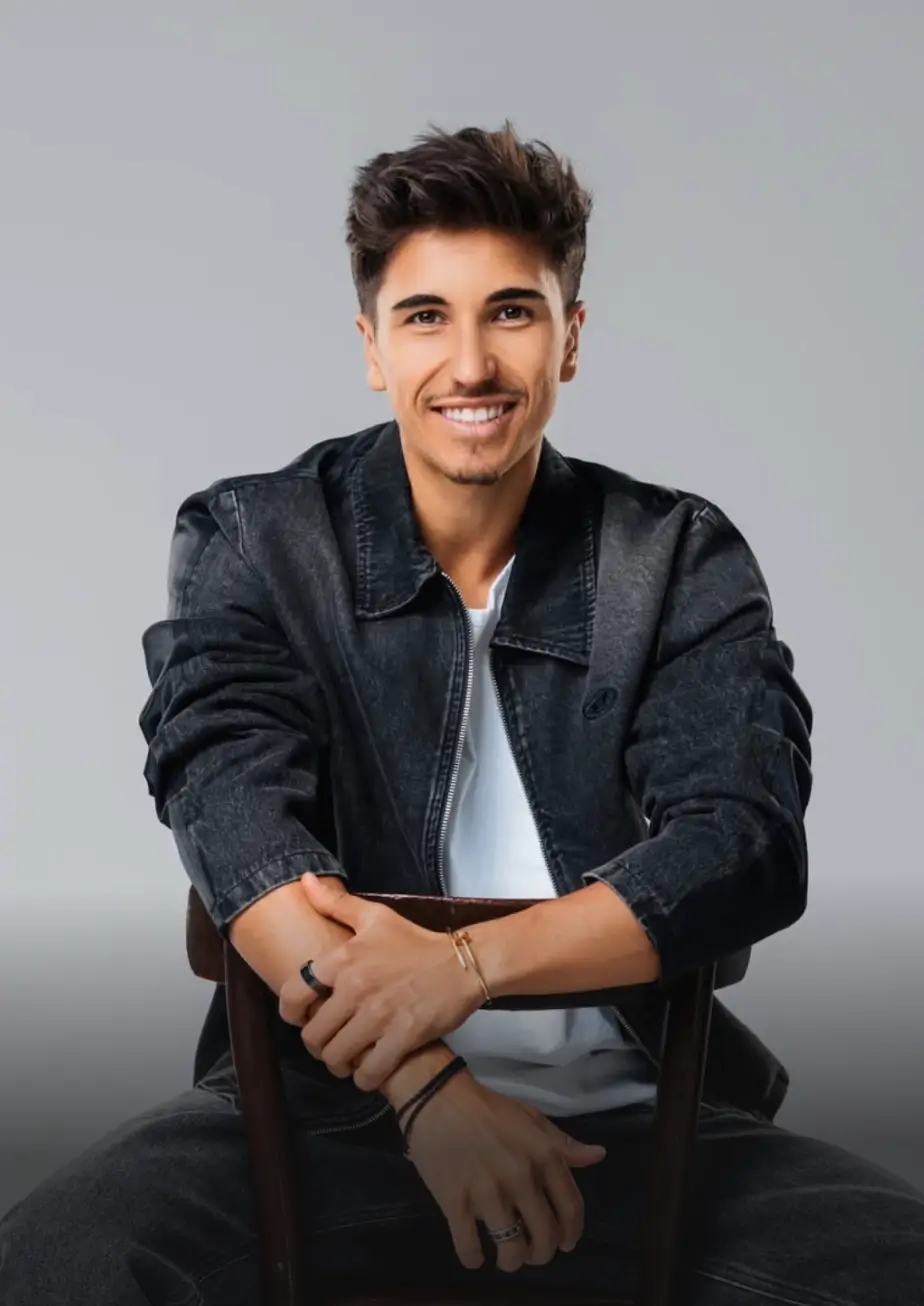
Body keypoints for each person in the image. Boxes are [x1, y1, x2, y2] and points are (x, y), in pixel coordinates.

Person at [1, 121, 922, 1305]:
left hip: (637, 1132)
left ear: (571, 339)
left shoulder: (674, 557)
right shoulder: (258, 540)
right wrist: (435, 1089)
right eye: (427, 316)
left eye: (514, 312)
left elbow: (743, 843)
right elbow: (235, 825)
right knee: (50, 1268)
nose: (472, 363)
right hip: (327, 1120)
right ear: (372, 347)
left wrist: (468, 966)